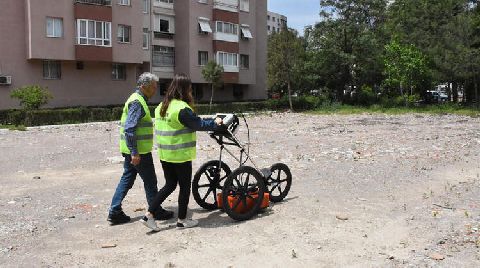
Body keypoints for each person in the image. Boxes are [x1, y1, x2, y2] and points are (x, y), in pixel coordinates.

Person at [141, 74, 223, 231]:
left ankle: (148, 215)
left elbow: (189, 122)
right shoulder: (181, 109)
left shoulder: (161, 107)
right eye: (190, 88)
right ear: (185, 89)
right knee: (184, 187)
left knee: (170, 185)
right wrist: (216, 123)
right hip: (180, 155)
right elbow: (198, 124)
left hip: (165, 155)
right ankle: (182, 220)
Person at [108, 72, 173, 225]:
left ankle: (114, 211)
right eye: (153, 87)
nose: (155, 90)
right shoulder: (137, 102)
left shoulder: (137, 99)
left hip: (131, 150)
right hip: (139, 152)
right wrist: (135, 152)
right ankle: (155, 210)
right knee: (150, 181)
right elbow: (130, 129)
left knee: (127, 178)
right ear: (144, 87)